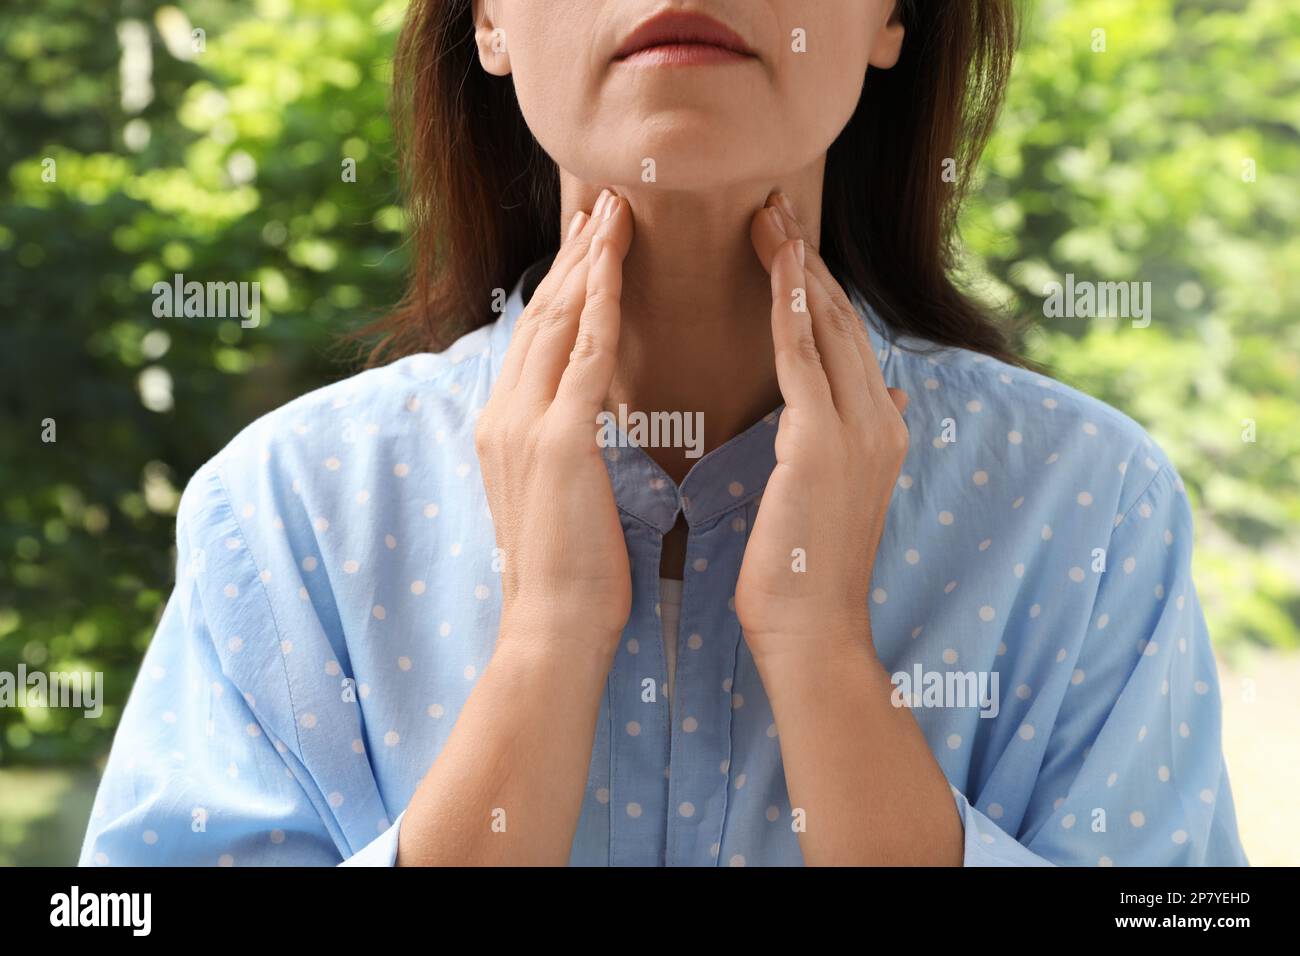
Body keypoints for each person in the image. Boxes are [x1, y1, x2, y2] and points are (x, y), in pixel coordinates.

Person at [80, 0, 1247, 866]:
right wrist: (543, 641)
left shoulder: (1090, 505)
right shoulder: (285, 511)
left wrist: (822, 649)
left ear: (891, 15)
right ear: (487, 19)